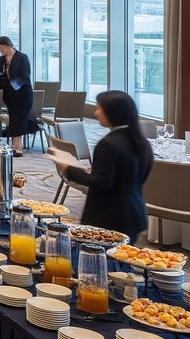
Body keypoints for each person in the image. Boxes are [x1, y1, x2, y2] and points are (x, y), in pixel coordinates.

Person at [56, 90, 154, 242]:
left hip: (108, 215)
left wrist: (68, 170)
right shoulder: (141, 142)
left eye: (99, 108)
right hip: (133, 211)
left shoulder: (108, 144)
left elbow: (102, 182)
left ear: (111, 112)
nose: (96, 113)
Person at [0, 36, 36, 155]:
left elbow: (24, 77)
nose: (0, 51)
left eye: (1, 48)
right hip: (9, 94)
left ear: (8, 45)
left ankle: (17, 147)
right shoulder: (2, 60)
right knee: (14, 117)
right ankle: (16, 146)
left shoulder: (22, 58)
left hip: (22, 94)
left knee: (17, 118)